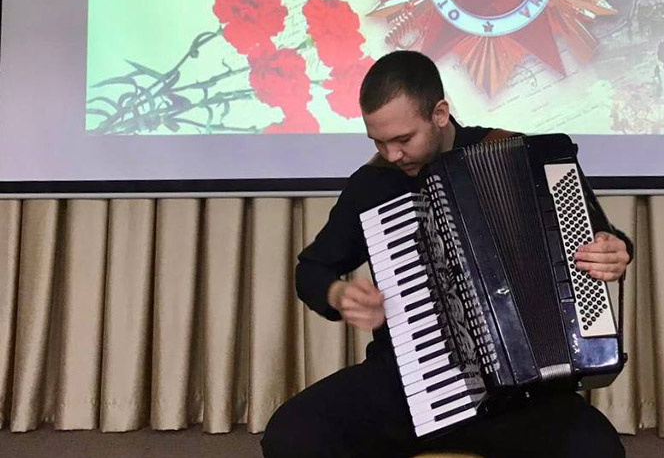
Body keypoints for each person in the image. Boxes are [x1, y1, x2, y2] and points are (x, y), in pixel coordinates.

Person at [261, 51, 633, 458]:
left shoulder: (520, 155)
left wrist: (615, 251)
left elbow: (604, 238)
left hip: (520, 395)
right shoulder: (373, 185)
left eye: (403, 139)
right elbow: (312, 269)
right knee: (291, 434)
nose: (391, 154)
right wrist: (337, 294)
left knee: (596, 450)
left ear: (439, 113)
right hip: (407, 382)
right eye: (379, 142)